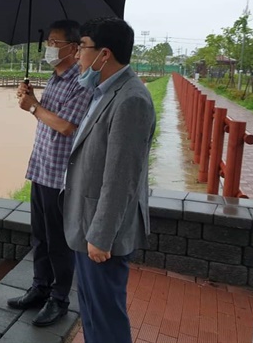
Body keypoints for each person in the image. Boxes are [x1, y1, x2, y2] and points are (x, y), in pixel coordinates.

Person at [63, 17, 155, 343]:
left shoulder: (131, 100)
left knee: (106, 319)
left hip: (101, 235)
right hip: (85, 223)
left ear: (104, 54)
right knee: (90, 311)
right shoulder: (104, 91)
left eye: (82, 47)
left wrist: (100, 236)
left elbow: (121, 178)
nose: (76, 56)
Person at [7, 20, 92, 327]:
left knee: (58, 242)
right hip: (41, 168)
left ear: (74, 47)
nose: (50, 49)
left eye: (56, 43)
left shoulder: (81, 83)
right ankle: (40, 287)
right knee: (40, 237)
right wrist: (33, 100)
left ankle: (59, 299)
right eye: (49, 43)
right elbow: (48, 120)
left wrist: (33, 108)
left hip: (61, 177)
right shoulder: (54, 78)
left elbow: (68, 127)